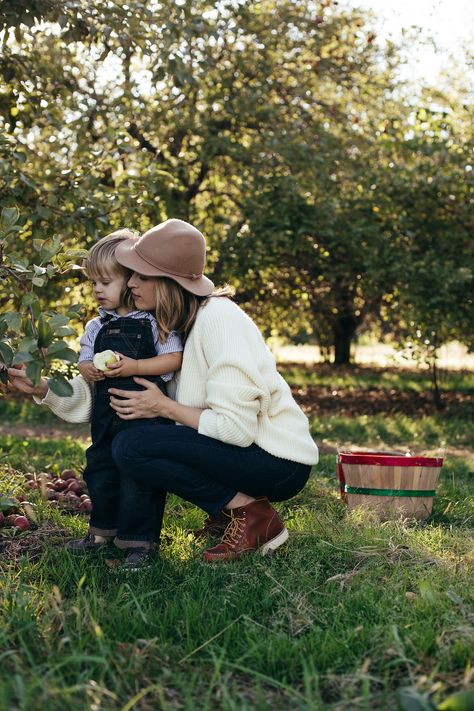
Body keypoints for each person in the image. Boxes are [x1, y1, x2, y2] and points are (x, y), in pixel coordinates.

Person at [8, 218, 319, 569]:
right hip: (239, 449)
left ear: (168, 280)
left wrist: (164, 406)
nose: (132, 282)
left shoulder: (218, 320)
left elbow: (237, 429)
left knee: (134, 446)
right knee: (128, 442)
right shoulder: (162, 324)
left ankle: (252, 515)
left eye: (140, 275)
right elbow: (107, 398)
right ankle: (229, 514)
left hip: (275, 460)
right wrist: (44, 388)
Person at [67, 231, 183, 560]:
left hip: (143, 418)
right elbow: (85, 361)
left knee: (138, 477)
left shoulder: (155, 322)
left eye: (105, 282)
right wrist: (87, 368)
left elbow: (173, 359)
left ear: (130, 280)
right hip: (106, 419)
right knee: (100, 470)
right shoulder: (96, 327)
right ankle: (101, 532)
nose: (97, 290)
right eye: (93, 283)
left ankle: (139, 541)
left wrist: (136, 365)